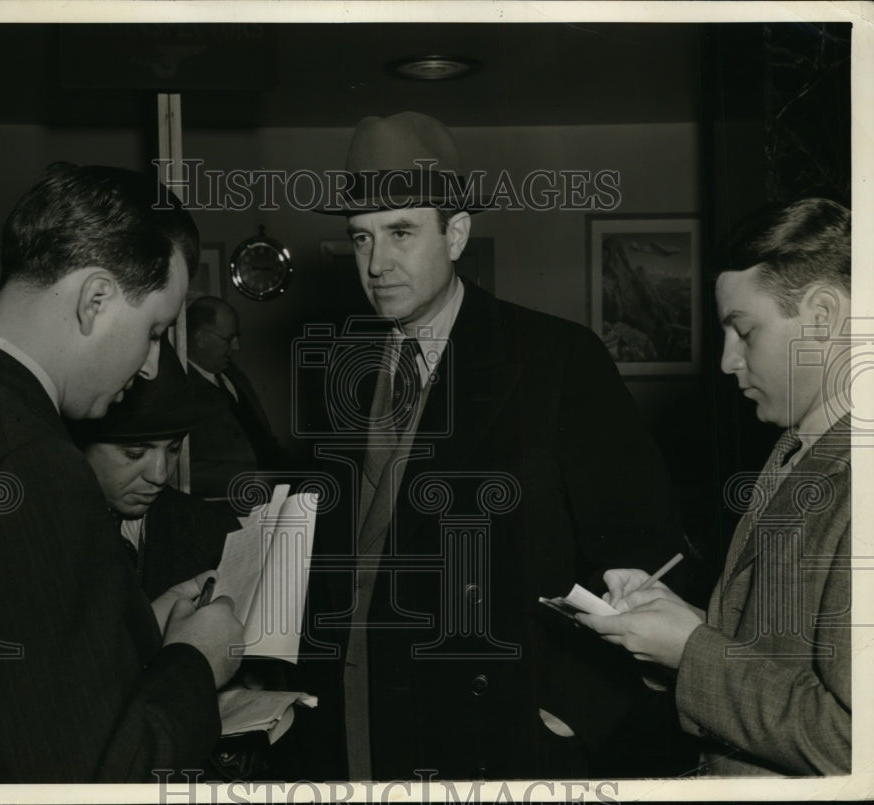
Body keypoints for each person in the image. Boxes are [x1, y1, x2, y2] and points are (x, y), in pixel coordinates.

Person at [290, 111, 692, 780]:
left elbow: (649, 557)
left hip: (496, 737)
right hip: (361, 720)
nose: (377, 263)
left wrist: (574, 713)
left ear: (457, 234)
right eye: (361, 238)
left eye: (401, 232)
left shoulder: (555, 361)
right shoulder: (345, 372)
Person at [0, 163, 244, 782]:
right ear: (94, 300)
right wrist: (195, 661)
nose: (148, 368)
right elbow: (97, 776)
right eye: (154, 332)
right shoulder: (33, 465)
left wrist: (136, 625)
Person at [578, 198, 851, 776]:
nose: (727, 362)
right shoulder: (794, 450)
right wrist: (681, 625)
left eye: (743, 331)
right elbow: (777, 658)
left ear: (824, 316)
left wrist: (692, 650)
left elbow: (852, 742)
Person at [72, 338, 239, 602]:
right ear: (79, 445)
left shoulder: (215, 530)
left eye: (174, 448)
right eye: (134, 453)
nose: (160, 476)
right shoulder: (37, 535)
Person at [186, 295, 286, 499]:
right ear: (201, 338)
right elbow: (181, 471)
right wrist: (247, 480)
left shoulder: (233, 374)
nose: (237, 347)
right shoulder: (179, 389)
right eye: (229, 338)